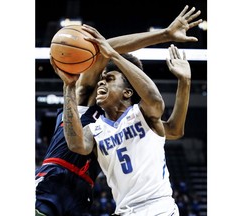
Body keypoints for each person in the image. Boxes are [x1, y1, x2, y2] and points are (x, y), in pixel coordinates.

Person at [35, 5, 200, 216]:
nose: (102, 81)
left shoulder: (133, 117)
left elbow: (173, 129)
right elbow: (104, 50)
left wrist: (184, 82)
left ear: (128, 91)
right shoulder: (83, 99)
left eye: (110, 78)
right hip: (54, 178)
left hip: (86, 194)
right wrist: (164, 34)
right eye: (103, 76)